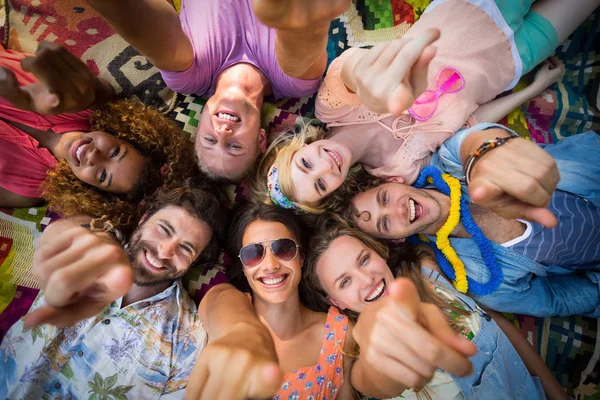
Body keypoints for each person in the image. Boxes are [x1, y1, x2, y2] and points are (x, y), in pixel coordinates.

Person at [257, 0, 599, 216]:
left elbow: (355, 68)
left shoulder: (332, 105)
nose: (324, 168)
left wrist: (368, 80)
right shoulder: (398, 172)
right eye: (319, 185)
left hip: (474, 8)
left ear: (302, 146)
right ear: (331, 194)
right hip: (514, 61)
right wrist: (534, 88)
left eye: (305, 163)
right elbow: (472, 122)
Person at [328, 125, 600, 317]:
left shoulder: (450, 163)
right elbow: (553, 301)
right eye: (384, 224)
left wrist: (483, 157)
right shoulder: (478, 278)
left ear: (394, 181)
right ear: (397, 238)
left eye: (384, 198)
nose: (396, 211)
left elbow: (475, 141)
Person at [220, 202, 475, 399]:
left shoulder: (338, 332)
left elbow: (370, 380)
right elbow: (217, 303)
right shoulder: (227, 305)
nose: (271, 264)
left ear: (300, 257)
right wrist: (240, 328)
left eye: (283, 248)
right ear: (242, 266)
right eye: (253, 253)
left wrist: (384, 354)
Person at [0, 184, 228, 398]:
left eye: (186, 248)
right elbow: (59, 234)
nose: (165, 251)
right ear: (145, 217)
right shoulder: (89, 245)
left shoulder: (188, 341)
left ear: (195, 261)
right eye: (164, 230)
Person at [83, 0, 349, 183]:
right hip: (295, 30)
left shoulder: (190, 77)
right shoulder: (294, 84)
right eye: (234, 146)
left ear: (199, 126)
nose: (223, 133)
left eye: (209, 140)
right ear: (260, 139)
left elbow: (158, 34)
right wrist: (305, 22)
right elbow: (302, 52)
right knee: (296, 61)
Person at [302, 219, 568, 400]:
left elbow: (504, 330)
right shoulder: (363, 368)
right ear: (337, 302)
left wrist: (558, 394)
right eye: (345, 282)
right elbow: (379, 379)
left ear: (379, 253)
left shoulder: (428, 272)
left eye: (364, 260)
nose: (367, 279)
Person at [0, 42, 197, 232]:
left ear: (91, 190)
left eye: (103, 176)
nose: (95, 156)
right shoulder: (88, 104)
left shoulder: (26, 189)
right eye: (115, 152)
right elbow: (92, 91)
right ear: (124, 135)